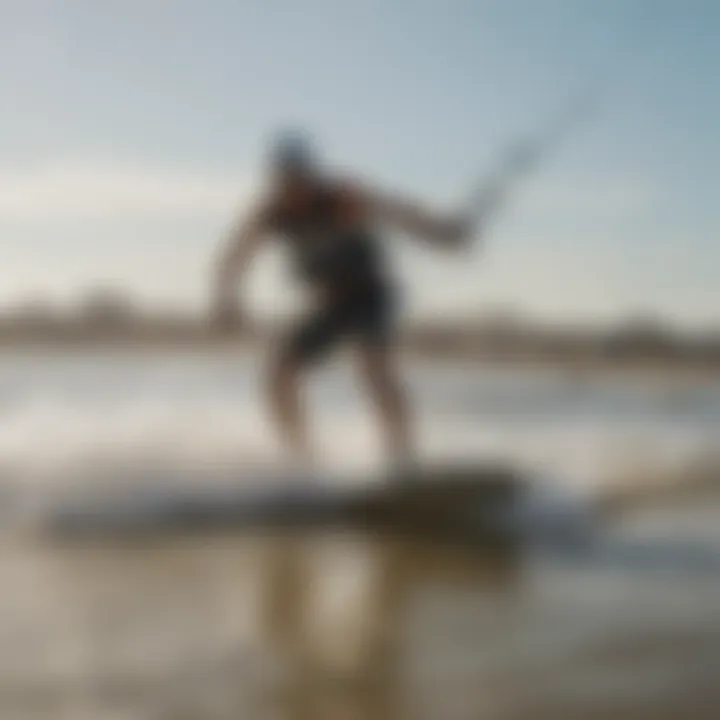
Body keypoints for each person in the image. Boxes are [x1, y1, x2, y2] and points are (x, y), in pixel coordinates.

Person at [212, 130, 474, 474]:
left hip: (371, 295)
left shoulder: (342, 197)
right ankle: (302, 460)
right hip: (330, 306)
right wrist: (228, 302)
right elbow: (235, 256)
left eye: (299, 178)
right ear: (276, 180)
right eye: (285, 181)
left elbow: (398, 212)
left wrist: (442, 233)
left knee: (373, 370)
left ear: (310, 174)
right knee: (278, 375)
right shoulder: (271, 213)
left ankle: (402, 461)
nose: (294, 189)